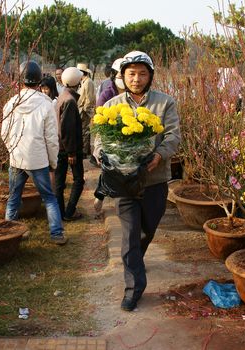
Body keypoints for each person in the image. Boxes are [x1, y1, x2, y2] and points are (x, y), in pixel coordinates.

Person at [93, 51, 181, 311]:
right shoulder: (112, 105)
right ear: (123, 76)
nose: (136, 78)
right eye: (131, 73)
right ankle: (133, 288)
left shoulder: (165, 103)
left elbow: (173, 136)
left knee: (147, 229)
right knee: (130, 235)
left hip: (154, 179)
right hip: (123, 182)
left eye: (142, 73)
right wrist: (102, 157)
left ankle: (135, 259)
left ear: (150, 76)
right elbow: (99, 140)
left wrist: (158, 155)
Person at [1, 61, 67, 245]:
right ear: (40, 81)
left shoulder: (11, 103)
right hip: (38, 159)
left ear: (19, 81)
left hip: (16, 157)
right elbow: (51, 139)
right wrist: (53, 162)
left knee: (13, 197)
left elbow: (3, 133)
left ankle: (9, 233)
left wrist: (13, 149)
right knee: (49, 197)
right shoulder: (46, 105)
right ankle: (56, 234)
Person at [93, 57, 126, 216]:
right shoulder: (107, 94)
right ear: (114, 76)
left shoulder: (135, 92)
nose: (122, 79)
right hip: (111, 137)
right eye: (119, 76)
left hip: (129, 138)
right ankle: (101, 193)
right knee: (108, 169)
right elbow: (99, 120)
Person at [54, 67, 85, 222]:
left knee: (59, 183)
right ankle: (69, 212)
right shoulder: (70, 101)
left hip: (59, 147)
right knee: (79, 180)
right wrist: (72, 152)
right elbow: (68, 129)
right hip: (68, 149)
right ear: (77, 82)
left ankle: (59, 213)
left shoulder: (63, 96)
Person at [76, 63, 96, 158]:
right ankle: (86, 150)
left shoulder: (88, 82)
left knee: (84, 131)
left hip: (85, 111)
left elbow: (89, 98)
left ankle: (84, 151)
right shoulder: (84, 82)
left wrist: (85, 110)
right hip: (82, 109)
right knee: (84, 131)